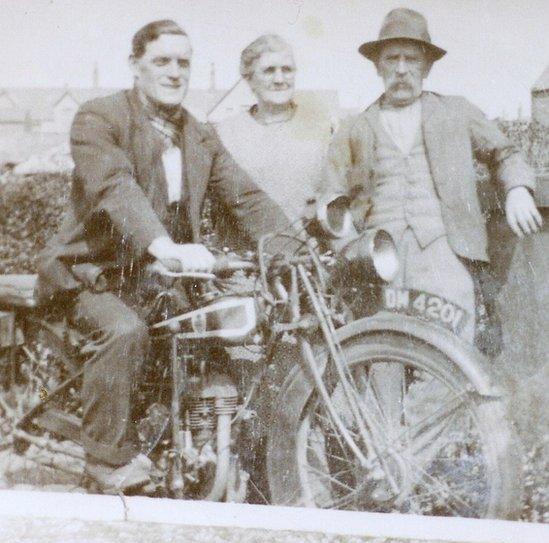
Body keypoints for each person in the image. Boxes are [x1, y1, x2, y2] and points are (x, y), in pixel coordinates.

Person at [35, 20, 294, 492]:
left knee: (214, 336)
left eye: (183, 63)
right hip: (90, 273)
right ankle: (105, 462)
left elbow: (244, 196)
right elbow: (116, 186)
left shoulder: (197, 134)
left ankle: (193, 452)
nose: (175, 72)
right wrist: (163, 246)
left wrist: (295, 248)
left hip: (155, 276)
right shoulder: (99, 118)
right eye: (162, 61)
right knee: (124, 330)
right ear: (135, 66)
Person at [321, 8, 542, 343]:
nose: (401, 69)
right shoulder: (355, 127)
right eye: (391, 58)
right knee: (383, 356)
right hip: (379, 263)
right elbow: (330, 199)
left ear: (426, 66)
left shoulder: (456, 112)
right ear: (378, 66)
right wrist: (350, 252)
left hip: (443, 255)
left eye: (411, 59)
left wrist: (518, 189)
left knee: (451, 356)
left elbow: (505, 153)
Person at [212, 34, 335, 248]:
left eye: (287, 70)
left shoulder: (322, 128)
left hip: (306, 262)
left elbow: (337, 199)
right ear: (248, 79)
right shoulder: (225, 133)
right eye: (269, 71)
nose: (279, 79)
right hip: (244, 266)